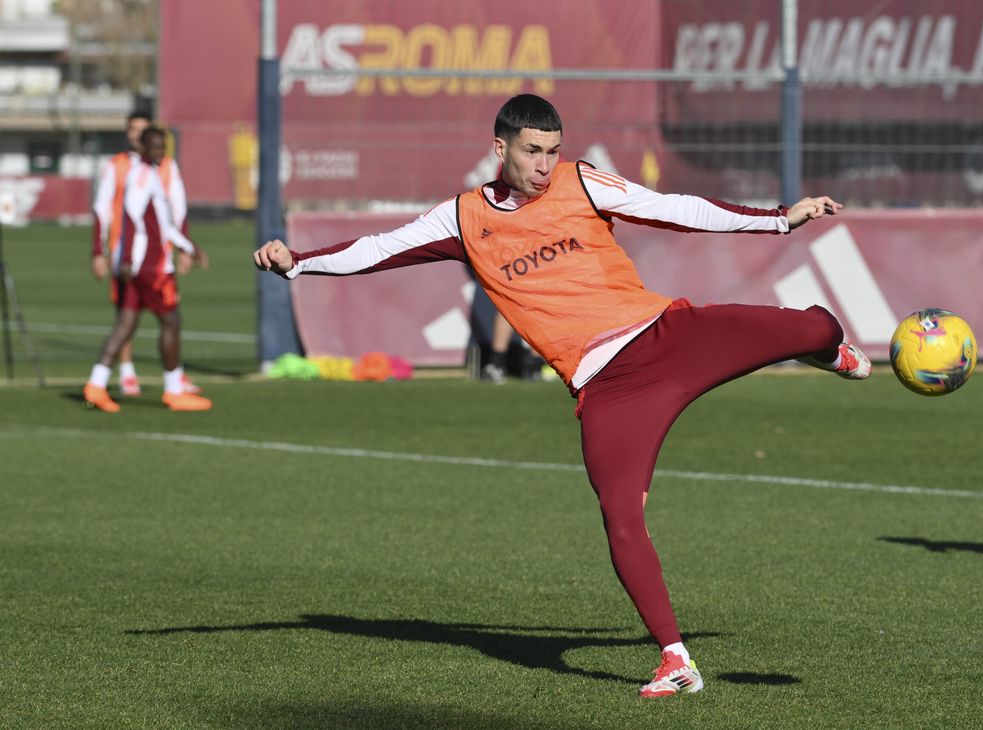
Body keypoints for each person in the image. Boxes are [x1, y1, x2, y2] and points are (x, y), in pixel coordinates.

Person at [253, 94, 870, 697]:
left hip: (665, 337)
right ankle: (676, 659)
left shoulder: (582, 182)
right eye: (531, 151)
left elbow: (674, 208)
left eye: (553, 151)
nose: (545, 165)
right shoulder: (464, 218)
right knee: (620, 516)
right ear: (500, 148)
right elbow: (378, 249)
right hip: (607, 390)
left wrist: (779, 218)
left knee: (816, 325)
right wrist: (298, 262)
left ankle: (827, 353)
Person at [83, 125, 212, 413]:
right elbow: (129, 216)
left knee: (126, 324)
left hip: (138, 263)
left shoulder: (151, 173)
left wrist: (189, 247)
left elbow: (164, 224)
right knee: (171, 321)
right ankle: (174, 390)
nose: (160, 152)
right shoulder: (141, 176)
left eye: (162, 146)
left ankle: (96, 384)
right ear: (142, 147)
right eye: (155, 146)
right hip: (149, 264)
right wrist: (128, 258)